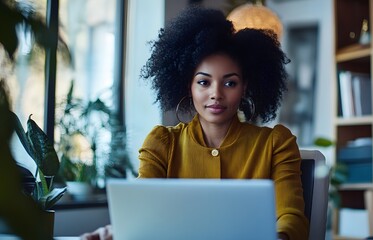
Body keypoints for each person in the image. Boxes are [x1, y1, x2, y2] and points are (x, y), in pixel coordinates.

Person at [82, 6, 309, 240]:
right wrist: (117, 230)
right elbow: (142, 214)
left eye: (230, 83)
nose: (216, 94)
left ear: (245, 88)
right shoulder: (162, 144)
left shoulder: (275, 144)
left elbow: (291, 217)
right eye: (204, 82)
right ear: (188, 86)